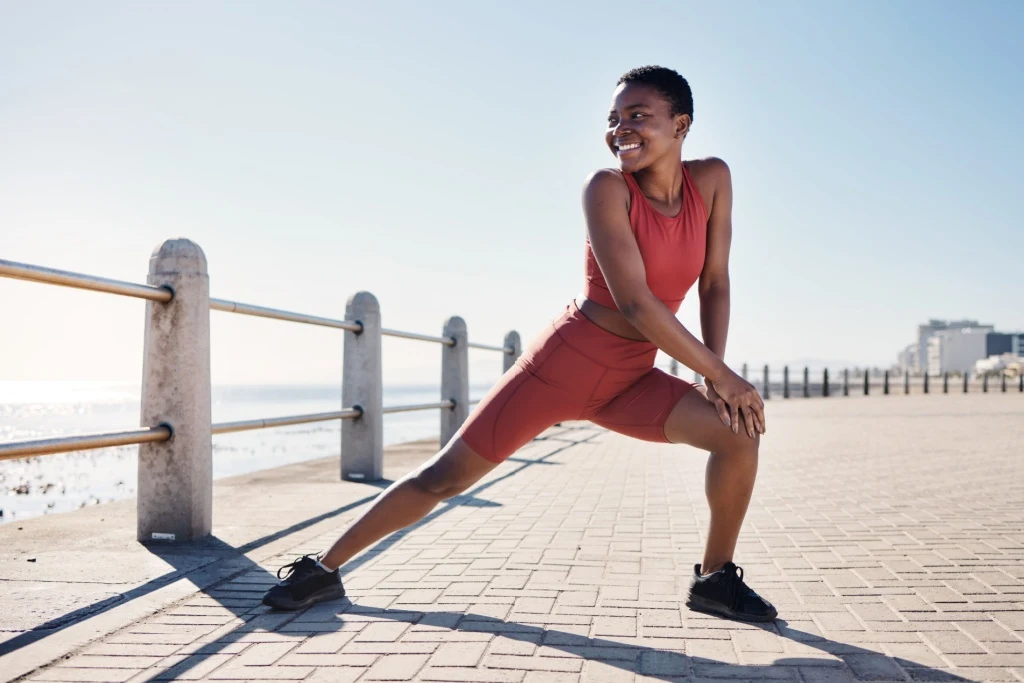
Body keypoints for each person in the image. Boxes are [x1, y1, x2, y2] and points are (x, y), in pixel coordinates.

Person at [263, 65, 776, 623]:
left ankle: (715, 578)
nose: (620, 128)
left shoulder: (713, 181)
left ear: (681, 124)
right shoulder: (605, 188)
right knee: (445, 477)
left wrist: (712, 373)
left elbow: (716, 281)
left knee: (737, 433)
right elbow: (635, 303)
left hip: (632, 377)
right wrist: (721, 377)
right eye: (613, 119)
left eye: (637, 116)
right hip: (563, 366)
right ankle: (324, 567)